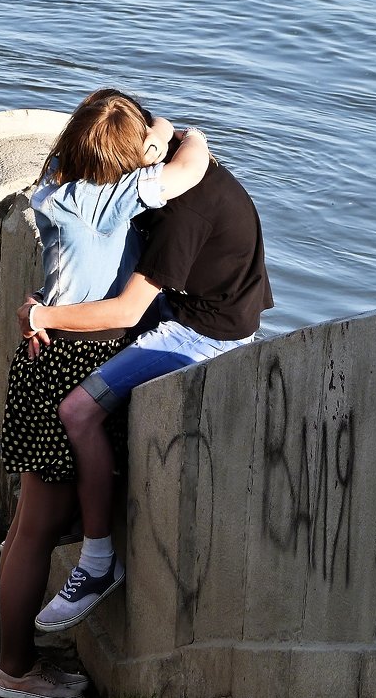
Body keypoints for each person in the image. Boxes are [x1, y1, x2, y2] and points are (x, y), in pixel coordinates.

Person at [0, 88, 211, 698]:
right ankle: (13, 669)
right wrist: (168, 134)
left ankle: (16, 657)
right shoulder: (114, 202)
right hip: (79, 359)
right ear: (125, 158)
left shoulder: (55, 186)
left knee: (24, 526)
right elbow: (193, 159)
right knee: (34, 530)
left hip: (44, 357)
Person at [21, 131, 274, 634]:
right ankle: (82, 499)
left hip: (204, 332)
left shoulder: (182, 218)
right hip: (192, 299)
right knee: (87, 336)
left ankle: (97, 563)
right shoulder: (169, 151)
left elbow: (127, 309)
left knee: (78, 410)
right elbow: (179, 129)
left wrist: (44, 316)